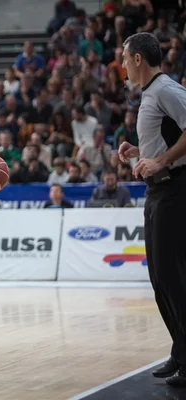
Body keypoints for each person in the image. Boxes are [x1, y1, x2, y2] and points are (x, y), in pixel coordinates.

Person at [118, 33, 186, 387]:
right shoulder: (151, 94)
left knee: (174, 278)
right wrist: (138, 152)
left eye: (125, 58)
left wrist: (160, 160)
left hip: (175, 190)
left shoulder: (166, 90)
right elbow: (168, 136)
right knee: (161, 279)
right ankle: (180, 352)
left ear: (139, 59)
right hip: (158, 192)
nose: (123, 65)